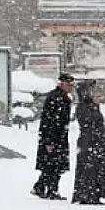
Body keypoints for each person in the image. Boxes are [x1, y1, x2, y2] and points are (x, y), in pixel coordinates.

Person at [31, 72, 74, 200]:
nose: (71, 87)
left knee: (53, 165)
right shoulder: (55, 98)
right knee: (53, 165)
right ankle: (51, 190)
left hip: (59, 137)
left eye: (72, 85)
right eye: (69, 84)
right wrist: (49, 141)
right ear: (62, 84)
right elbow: (48, 121)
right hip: (53, 137)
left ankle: (41, 187)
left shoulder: (64, 98)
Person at [71, 80, 105, 205]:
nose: (97, 95)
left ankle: (95, 193)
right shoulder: (83, 107)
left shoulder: (93, 107)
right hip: (89, 143)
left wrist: (104, 133)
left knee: (98, 168)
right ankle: (87, 194)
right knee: (89, 169)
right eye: (93, 92)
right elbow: (88, 124)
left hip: (97, 143)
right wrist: (99, 133)